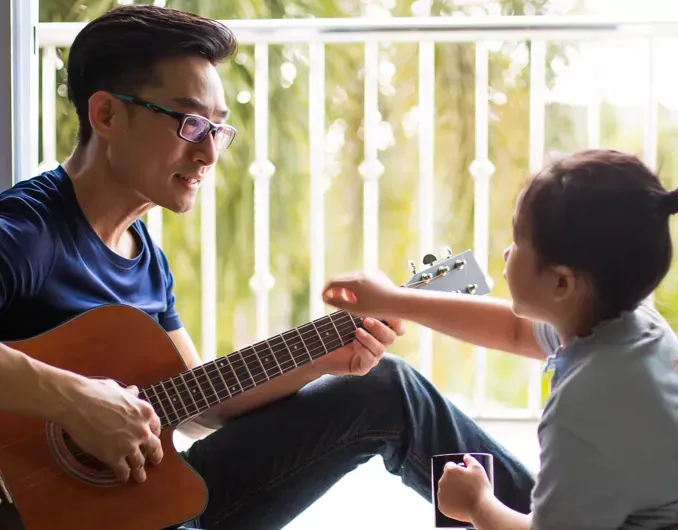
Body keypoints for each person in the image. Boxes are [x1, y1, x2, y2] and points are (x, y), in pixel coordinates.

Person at [0, 5, 538, 529]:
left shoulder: (145, 257)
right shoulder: (29, 232)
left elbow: (195, 402)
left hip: (149, 502)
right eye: (189, 123)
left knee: (384, 388)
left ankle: (559, 521)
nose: (209, 154)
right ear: (107, 114)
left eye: (218, 129)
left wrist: (325, 359)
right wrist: (75, 400)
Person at [323, 148, 678, 529]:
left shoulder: (584, 406)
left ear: (562, 282)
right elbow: (513, 330)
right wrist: (395, 300)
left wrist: (478, 505)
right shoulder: (632, 324)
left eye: (519, 242)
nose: (506, 252)